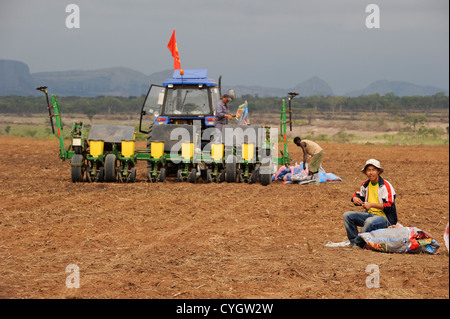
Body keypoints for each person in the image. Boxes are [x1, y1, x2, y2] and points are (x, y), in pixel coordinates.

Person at [343, 159, 398, 248]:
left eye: (373, 170)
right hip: (369, 214)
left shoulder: (385, 186)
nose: (371, 173)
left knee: (369, 221)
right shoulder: (365, 184)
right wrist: (355, 199)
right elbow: (358, 195)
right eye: (368, 170)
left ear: (378, 171)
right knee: (347, 215)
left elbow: (389, 206)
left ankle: (359, 243)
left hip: (385, 219)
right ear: (365, 172)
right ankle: (353, 242)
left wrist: (371, 205)